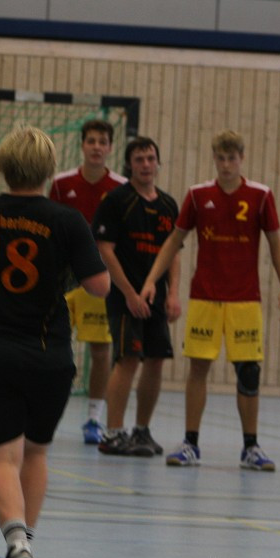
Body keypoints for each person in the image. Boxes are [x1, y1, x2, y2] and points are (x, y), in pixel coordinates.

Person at [0, 124, 109, 558]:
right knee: (35, 452)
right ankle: (25, 550)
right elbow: (100, 286)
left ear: (3, 165)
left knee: (1, 458)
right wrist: (59, 281)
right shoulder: (67, 219)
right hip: (49, 357)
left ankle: (16, 543)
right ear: (50, 170)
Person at [140, 130, 280, 472]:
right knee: (198, 368)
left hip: (244, 301)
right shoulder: (197, 196)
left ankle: (251, 447)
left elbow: (275, 244)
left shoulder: (261, 196)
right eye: (221, 159)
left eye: (232, 159)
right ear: (215, 159)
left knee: (248, 373)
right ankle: (191, 443)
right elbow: (173, 242)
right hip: (205, 297)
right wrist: (152, 280)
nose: (226, 165)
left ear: (241, 159)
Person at [92, 137, 180, 458]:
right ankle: (113, 432)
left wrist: (174, 295)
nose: (145, 164)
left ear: (158, 163)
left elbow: (174, 253)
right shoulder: (116, 201)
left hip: (156, 297)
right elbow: (105, 250)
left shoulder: (169, 206)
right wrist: (129, 293)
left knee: (156, 360)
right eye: (139, 159)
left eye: (150, 158)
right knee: (127, 359)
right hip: (124, 297)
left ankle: (142, 430)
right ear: (130, 164)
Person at [49, 119, 126, 444]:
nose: (96, 146)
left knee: (100, 349)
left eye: (102, 141)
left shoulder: (122, 187)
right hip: (62, 280)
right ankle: (46, 413)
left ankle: (94, 419)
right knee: (53, 348)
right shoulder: (61, 183)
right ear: (82, 144)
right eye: (91, 140)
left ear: (110, 147)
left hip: (99, 279)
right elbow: (48, 229)